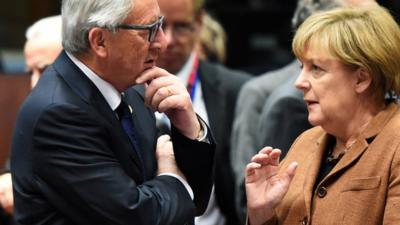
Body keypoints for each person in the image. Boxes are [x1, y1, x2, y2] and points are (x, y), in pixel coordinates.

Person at [11, 0, 215, 224]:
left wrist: (189, 129)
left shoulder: (131, 87)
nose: (162, 42)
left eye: (160, 24)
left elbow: (191, 203)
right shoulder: (58, 114)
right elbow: (138, 217)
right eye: (149, 30)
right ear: (100, 41)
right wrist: (171, 176)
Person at [246, 4, 400, 225]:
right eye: (302, 67)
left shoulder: (396, 144)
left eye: (316, 68)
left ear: (361, 79)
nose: (299, 83)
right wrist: (262, 213)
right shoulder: (305, 142)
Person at [156, 0, 251, 224]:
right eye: (158, 26)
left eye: (180, 27)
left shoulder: (236, 90)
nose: (168, 40)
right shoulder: (122, 88)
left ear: (199, 23)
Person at [0, 15, 63, 224]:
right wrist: (7, 179)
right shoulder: (36, 114)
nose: (35, 83)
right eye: (31, 72)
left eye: (45, 69)